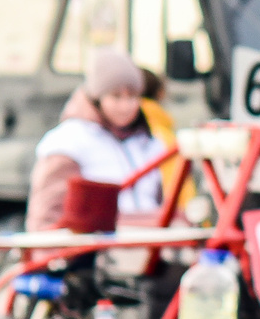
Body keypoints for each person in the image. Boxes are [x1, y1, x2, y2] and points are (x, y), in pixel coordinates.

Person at [29, 49, 167, 231]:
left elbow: (158, 200)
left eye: (132, 96)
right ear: (97, 98)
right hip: (96, 252)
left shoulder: (148, 143)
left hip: (149, 246)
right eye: (116, 96)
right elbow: (48, 217)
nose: (126, 106)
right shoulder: (69, 142)